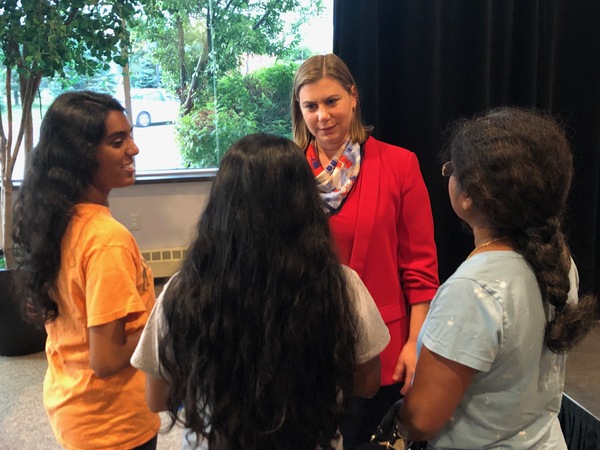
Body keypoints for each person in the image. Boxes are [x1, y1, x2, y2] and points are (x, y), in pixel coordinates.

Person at [130, 133, 391, 450]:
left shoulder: (183, 291)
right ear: (305, 203)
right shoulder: (341, 286)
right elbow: (367, 383)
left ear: (222, 204)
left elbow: (157, 398)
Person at [396, 107, 598, 449]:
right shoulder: (560, 260)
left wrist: (392, 412)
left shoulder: (472, 289)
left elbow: (421, 420)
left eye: (451, 170)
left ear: (469, 194)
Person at [291, 53, 440, 446]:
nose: (322, 115)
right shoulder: (288, 172)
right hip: (305, 347)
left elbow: (421, 268)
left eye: (331, 101)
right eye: (310, 106)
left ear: (353, 97)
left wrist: (416, 343)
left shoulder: (399, 165)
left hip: (384, 351)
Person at [12, 91, 160, 450]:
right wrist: (166, 322)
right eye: (117, 141)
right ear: (80, 155)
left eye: (129, 136)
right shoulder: (106, 240)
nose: (134, 150)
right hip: (114, 425)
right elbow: (107, 359)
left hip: (75, 407)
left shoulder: (57, 219)